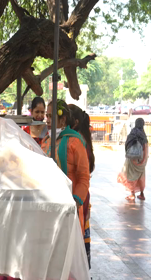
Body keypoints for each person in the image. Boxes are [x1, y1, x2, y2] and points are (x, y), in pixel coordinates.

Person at [41, 100, 90, 235]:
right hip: (47, 205)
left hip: (69, 207)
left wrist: (76, 201)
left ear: (62, 120)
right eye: (47, 116)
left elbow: (83, 176)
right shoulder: (46, 141)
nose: (48, 120)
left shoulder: (75, 142)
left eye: (51, 116)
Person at [69, 104, 95, 270]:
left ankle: (77, 269)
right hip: (80, 194)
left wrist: (77, 198)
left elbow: (83, 175)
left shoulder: (76, 141)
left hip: (78, 195)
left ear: (75, 122)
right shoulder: (78, 138)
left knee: (76, 234)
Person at [117, 118, 149, 201]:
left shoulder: (132, 133)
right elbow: (145, 148)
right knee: (140, 176)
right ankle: (142, 194)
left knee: (131, 175)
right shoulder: (143, 134)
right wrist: (144, 160)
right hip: (141, 158)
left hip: (132, 158)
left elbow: (127, 145)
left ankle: (132, 194)